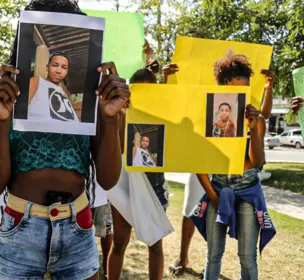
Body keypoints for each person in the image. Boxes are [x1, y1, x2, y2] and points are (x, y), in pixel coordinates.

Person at [0, 1, 130, 279]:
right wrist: (0, 122)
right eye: (53, 62)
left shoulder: (91, 101)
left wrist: (110, 117)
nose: (59, 69)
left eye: (65, 65)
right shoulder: (1, 95)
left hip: (78, 226)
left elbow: (108, 180)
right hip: (20, 229)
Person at [164, 57, 276, 277]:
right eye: (234, 90)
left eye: (244, 90)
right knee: (213, 253)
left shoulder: (256, 119)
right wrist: (212, 194)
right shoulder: (208, 119)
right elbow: (199, 159)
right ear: (220, 87)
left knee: (247, 256)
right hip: (216, 189)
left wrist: (253, 129)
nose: (240, 96)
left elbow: (257, 161)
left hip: (247, 193)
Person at [107, 65, 169, 280]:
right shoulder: (121, 112)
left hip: (154, 187)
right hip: (125, 185)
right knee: (120, 243)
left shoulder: (163, 115)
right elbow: (121, 147)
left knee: (155, 244)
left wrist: (169, 80)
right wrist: (125, 112)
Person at [28, 51, 78, 122]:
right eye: (55, 65)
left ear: (67, 71)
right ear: (47, 67)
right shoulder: (37, 81)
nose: (59, 71)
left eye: (64, 67)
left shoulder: (65, 93)